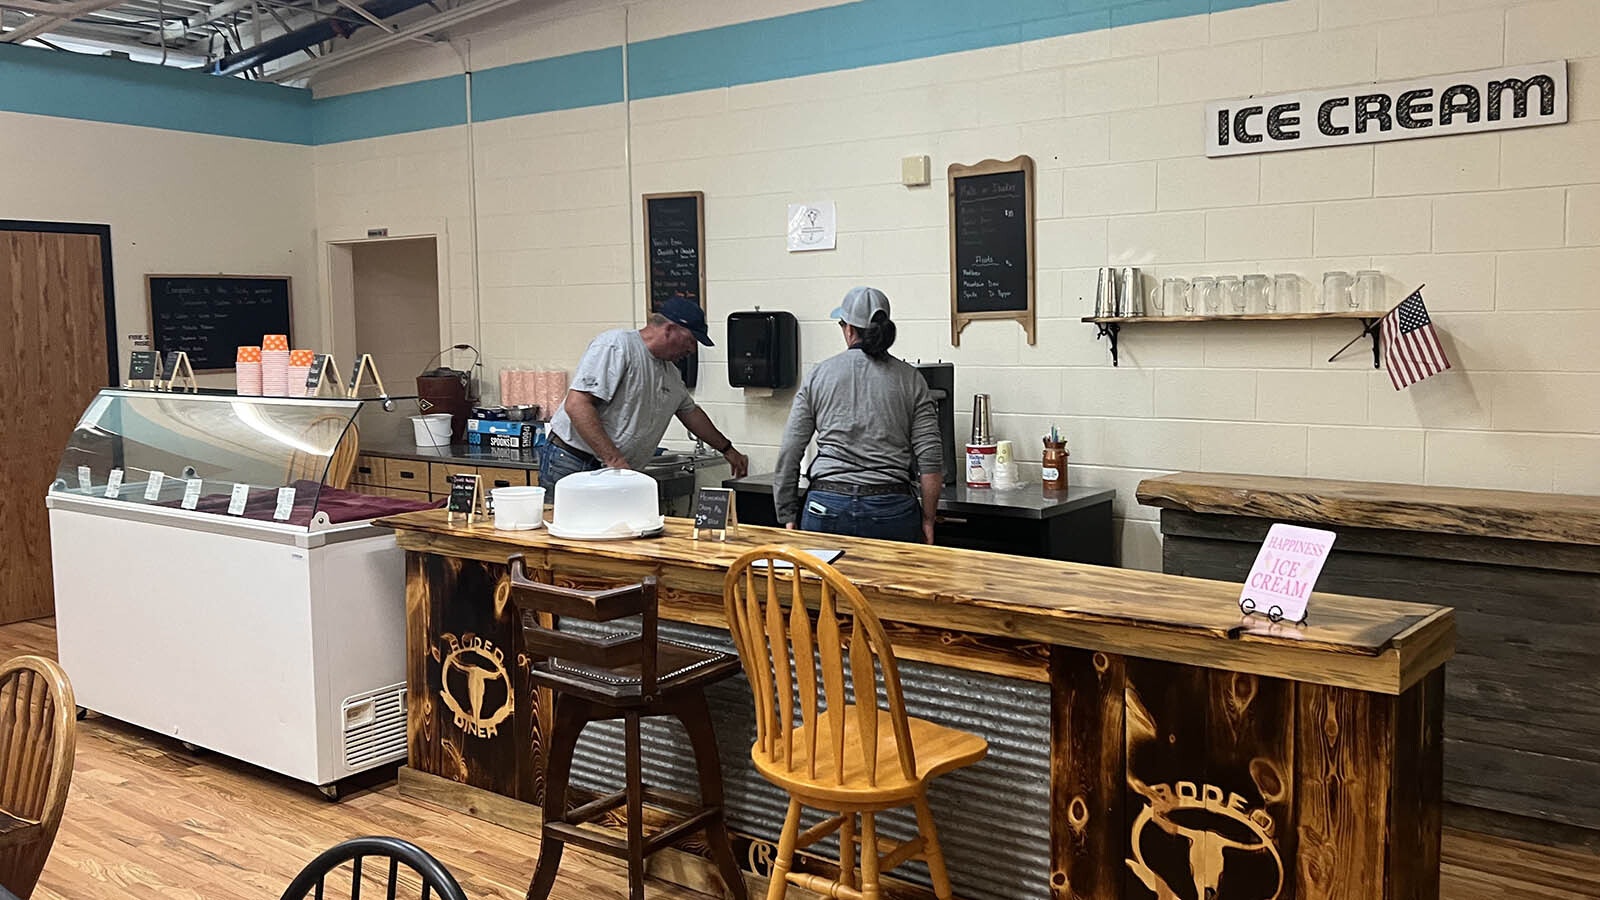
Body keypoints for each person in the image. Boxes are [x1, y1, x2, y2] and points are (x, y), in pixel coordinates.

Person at [774, 286, 943, 544]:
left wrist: (786, 512)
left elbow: (790, 450)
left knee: (823, 585)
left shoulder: (819, 375)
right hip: (891, 509)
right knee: (889, 585)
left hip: (826, 506)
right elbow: (930, 459)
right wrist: (929, 519)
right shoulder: (912, 379)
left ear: (849, 329)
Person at [540, 297, 749, 491]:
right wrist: (614, 460)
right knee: (569, 528)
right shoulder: (617, 346)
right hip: (574, 461)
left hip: (616, 470)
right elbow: (577, 405)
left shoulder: (671, 374)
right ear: (670, 329)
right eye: (691, 340)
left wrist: (727, 449)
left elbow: (691, 413)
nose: (692, 350)